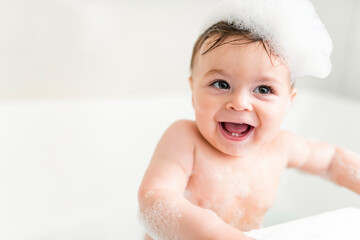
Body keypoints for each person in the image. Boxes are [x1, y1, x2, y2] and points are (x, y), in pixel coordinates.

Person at [137, 0, 360, 239]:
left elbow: (332, 162)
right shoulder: (184, 139)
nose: (240, 103)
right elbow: (155, 199)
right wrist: (217, 234)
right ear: (193, 91)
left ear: (288, 101)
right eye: (221, 84)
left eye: (263, 90)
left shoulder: (281, 147)